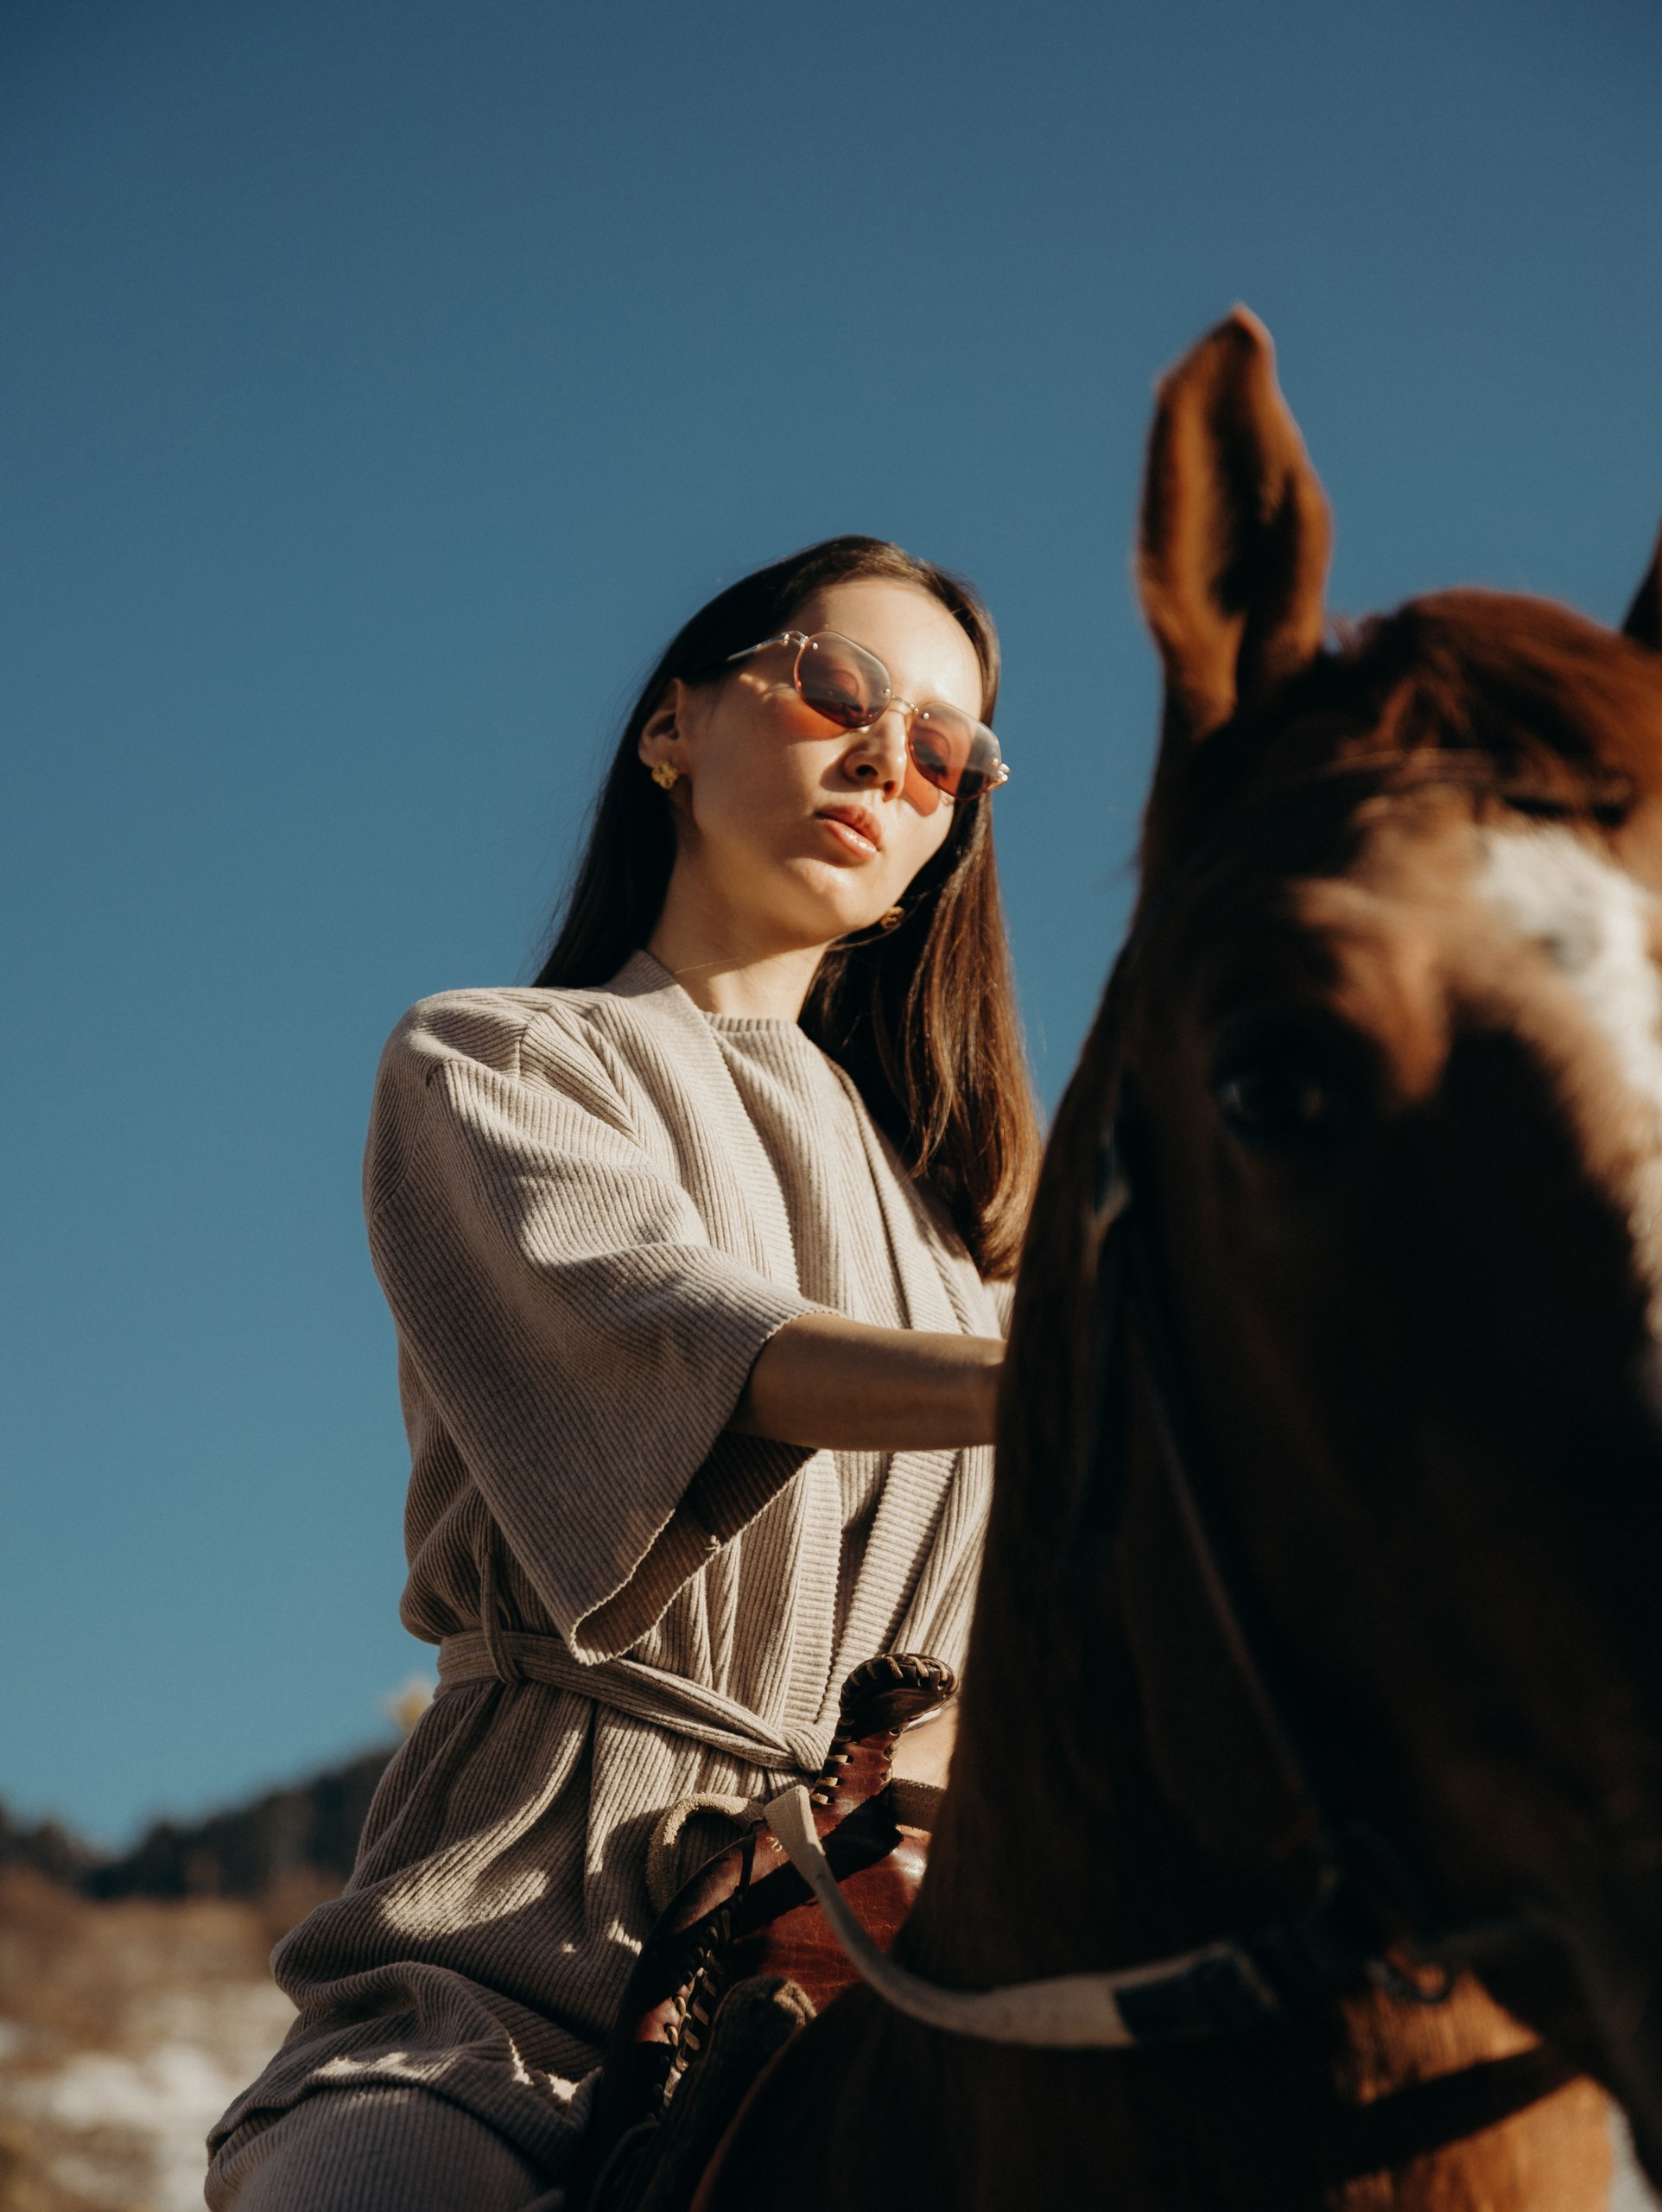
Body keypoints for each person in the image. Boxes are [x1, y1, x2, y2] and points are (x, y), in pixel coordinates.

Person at [206, 535, 1039, 2210]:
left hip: (890, 1944)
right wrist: (1050, 1379)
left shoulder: (979, 1262)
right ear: (671, 723)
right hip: (519, 1953)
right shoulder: (495, 1058)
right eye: (836, 686)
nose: (890, 755)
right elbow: (685, 1332)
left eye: (945, 747)